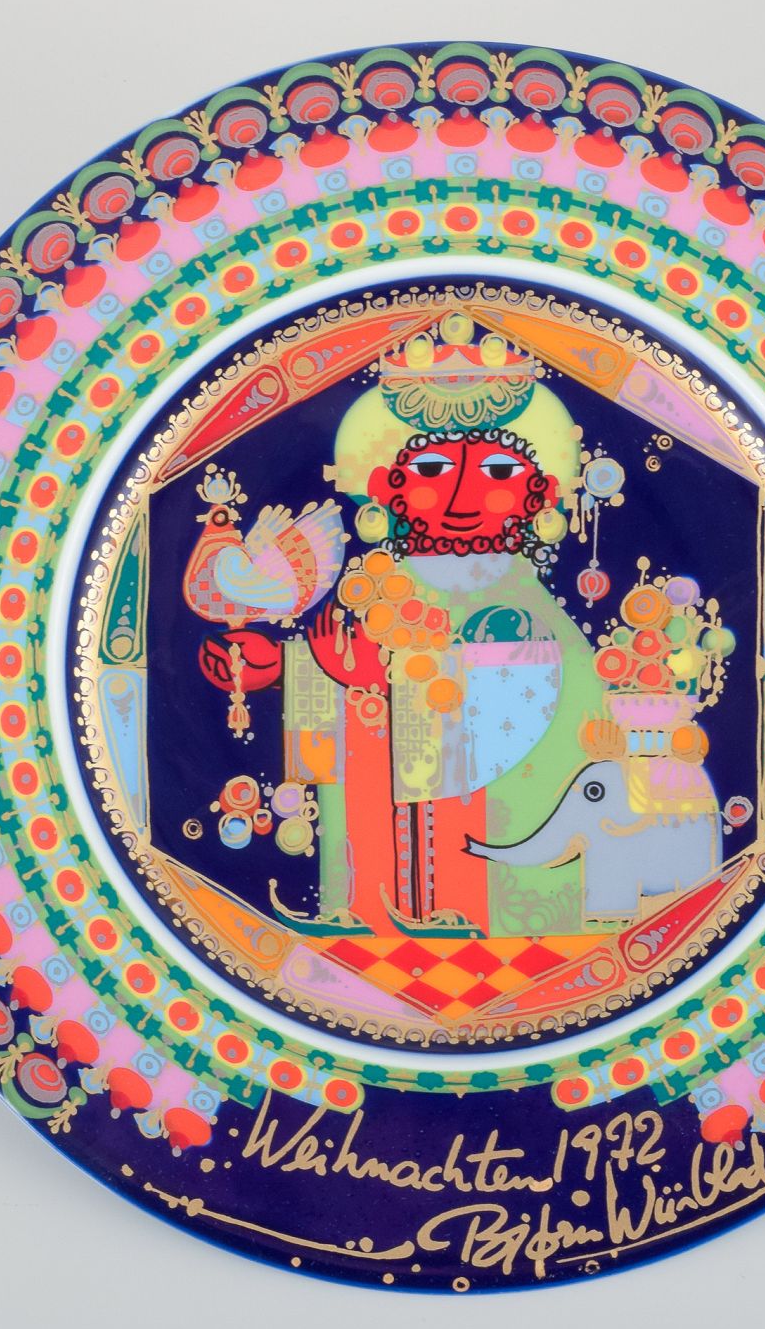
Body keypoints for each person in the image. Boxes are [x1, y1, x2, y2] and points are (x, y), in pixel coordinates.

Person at [184, 313, 601, 935]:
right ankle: (367, 915)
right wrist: (281, 672)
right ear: (387, 485)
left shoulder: (524, 602)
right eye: (431, 471)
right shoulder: (378, 585)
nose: (460, 498)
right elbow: (341, 664)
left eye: (498, 472)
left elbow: (522, 711)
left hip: (501, 852)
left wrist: (377, 683)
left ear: (538, 493)